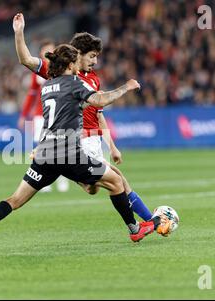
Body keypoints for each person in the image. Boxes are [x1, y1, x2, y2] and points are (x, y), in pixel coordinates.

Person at [0, 44, 168, 254]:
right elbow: (100, 100)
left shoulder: (48, 85)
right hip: (70, 154)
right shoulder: (75, 84)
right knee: (115, 181)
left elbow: (68, 106)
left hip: (45, 154)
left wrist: (18, 32)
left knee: (14, 200)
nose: (81, 64)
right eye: (77, 61)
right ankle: (135, 229)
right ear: (70, 64)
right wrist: (127, 87)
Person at [13, 12, 155, 222]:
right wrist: (19, 32)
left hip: (91, 139)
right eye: (92, 56)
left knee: (93, 189)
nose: (96, 61)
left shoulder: (94, 80)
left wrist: (112, 146)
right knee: (119, 180)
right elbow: (26, 60)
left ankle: (59, 167)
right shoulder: (59, 71)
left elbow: (99, 114)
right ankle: (151, 221)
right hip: (76, 140)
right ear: (78, 54)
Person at [18, 39, 70, 193]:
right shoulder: (38, 73)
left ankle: (62, 179)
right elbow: (31, 94)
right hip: (40, 116)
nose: (49, 53)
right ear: (41, 53)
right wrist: (24, 115)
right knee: (42, 148)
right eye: (46, 50)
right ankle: (43, 181)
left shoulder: (62, 70)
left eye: (52, 50)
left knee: (60, 147)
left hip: (59, 115)